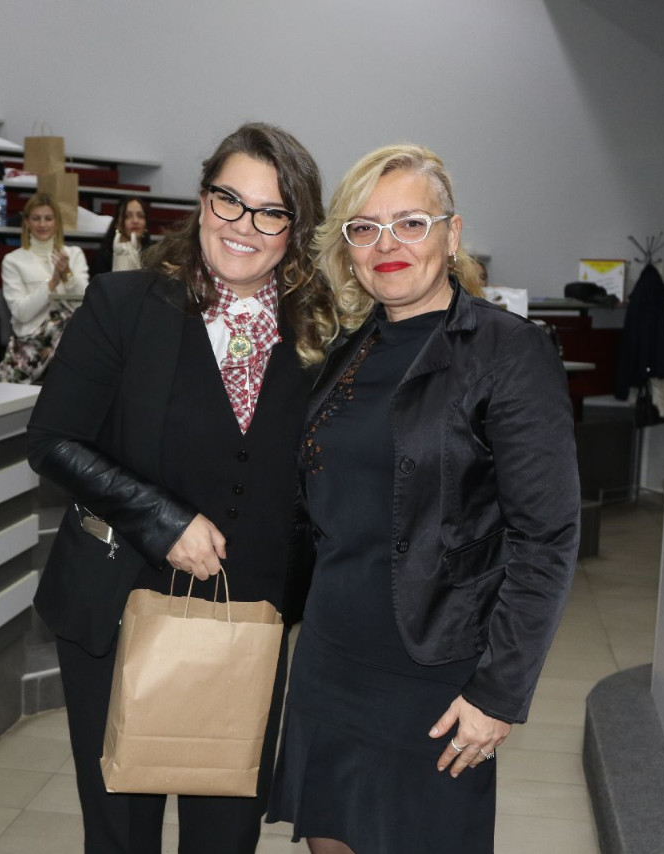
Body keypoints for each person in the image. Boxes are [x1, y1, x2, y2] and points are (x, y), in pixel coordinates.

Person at [25, 122, 333, 854]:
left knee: (226, 835)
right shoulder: (124, 305)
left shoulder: (322, 334)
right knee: (122, 835)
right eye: (229, 200)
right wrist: (162, 520)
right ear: (201, 200)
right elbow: (52, 440)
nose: (244, 226)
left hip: (247, 618)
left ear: (296, 230)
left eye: (271, 212)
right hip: (116, 603)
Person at [264, 144, 580, 852]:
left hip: (435, 671)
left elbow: (547, 539)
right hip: (331, 655)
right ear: (347, 248)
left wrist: (498, 693)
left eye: (410, 222)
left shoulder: (507, 352)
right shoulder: (344, 355)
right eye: (365, 228)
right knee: (331, 841)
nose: (388, 245)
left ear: (452, 234)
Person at [0, 193, 89, 384]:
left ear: (57, 222)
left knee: (73, 325)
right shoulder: (13, 261)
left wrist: (67, 275)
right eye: (36, 218)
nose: (42, 224)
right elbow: (21, 313)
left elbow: (85, 304)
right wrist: (52, 283)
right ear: (27, 222)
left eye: (48, 218)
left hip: (72, 334)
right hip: (33, 336)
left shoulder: (74, 254)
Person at [92, 196, 152, 275]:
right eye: (127, 216)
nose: (135, 221)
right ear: (117, 223)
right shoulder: (104, 256)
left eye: (140, 216)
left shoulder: (154, 255)